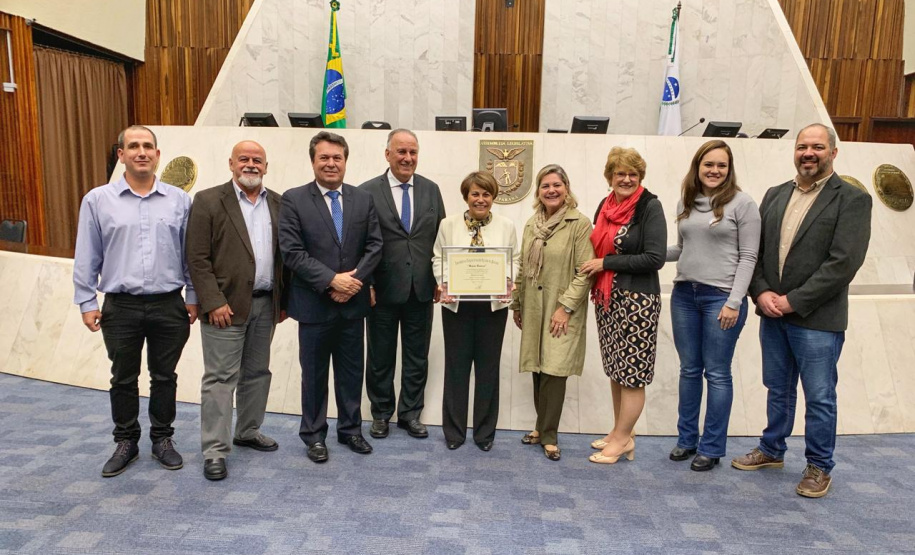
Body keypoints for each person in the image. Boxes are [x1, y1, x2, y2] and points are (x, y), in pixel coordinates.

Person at [731, 124, 871, 498]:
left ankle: (819, 466)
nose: (809, 153)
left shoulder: (852, 199)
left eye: (818, 147)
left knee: (820, 395)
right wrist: (760, 293)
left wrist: (793, 301)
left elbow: (843, 263)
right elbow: (755, 252)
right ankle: (772, 449)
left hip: (817, 320)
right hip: (772, 313)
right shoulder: (776, 194)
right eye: (803, 147)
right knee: (777, 388)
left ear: (833, 152)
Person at [73, 125, 197, 477]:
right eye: (133, 146)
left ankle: (162, 439)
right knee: (123, 377)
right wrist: (87, 302)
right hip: (120, 306)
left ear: (157, 155)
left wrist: (193, 296)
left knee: (165, 376)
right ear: (121, 154)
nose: (141, 152)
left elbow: (190, 254)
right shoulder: (98, 200)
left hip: (169, 305)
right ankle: (126, 440)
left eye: (148, 146)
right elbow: (86, 254)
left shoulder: (179, 200)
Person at [186, 140, 290, 481]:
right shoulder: (207, 200)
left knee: (258, 373)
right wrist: (213, 301)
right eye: (243, 159)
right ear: (231, 163)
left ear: (266, 166)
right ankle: (215, 450)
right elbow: (197, 257)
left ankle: (247, 430)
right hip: (224, 308)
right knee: (219, 379)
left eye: (257, 160)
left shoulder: (277, 202)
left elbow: (285, 257)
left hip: (265, 303)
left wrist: (284, 301)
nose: (250, 164)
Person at [278, 131, 383, 464]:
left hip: (352, 305)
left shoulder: (362, 199)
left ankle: (351, 429)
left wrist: (353, 281)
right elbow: (292, 252)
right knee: (314, 375)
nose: (331, 163)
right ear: (313, 161)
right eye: (324, 157)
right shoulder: (293, 199)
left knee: (351, 373)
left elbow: (375, 246)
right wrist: (331, 281)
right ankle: (314, 435)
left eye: (337, 157)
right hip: (313, 305)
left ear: (345, 161)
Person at [666, 140, 760, 471]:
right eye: (709, 164)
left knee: (717, 373)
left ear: (729, 169)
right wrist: (644, 252)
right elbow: (681, 248)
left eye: (721, 165)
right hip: (684, 296)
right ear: (698, 167)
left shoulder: (743, 204)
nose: (714, 171)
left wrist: (735, 301)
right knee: (689, 370)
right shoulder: (686, 202)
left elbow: (749, 256)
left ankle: (711, 446)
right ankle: (686, 440)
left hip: (722, 298)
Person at [581, 147, 666, 465]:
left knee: (633, 374)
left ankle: (623, 438)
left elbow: (654, 258)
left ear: (640, 176)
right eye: (620, 173)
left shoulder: (649, 207)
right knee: (617, 370)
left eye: (633, 174)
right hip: (608, 300)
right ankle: (620, 432)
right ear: (610, 177)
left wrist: (606, 262)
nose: (626, 179)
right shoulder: (605, 205)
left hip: (638, 301)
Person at [359, 129, 445, 440]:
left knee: (416, 356)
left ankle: (411, 414)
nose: (407, 158)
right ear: (388, 154)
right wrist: (364, 281)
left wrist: (442, 278)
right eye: (401, 152)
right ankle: (381, 413)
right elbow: (359, 243)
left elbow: (441, 238)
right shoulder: (366, 192)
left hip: (421, 290)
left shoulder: (431, 190)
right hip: (379, 290)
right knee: (380, 356)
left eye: (413, 152)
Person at [511, 164, 594, 461]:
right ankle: (540, 427)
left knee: (555, 372)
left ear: (567, 188)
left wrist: (566, 307)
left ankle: (550, 435)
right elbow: (522, 266)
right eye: (546, 185)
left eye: (557, 184)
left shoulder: (580, 223)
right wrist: (517, 304)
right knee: (537, 367)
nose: (552, 190)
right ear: (538, 192)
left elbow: (585, 271)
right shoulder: (532, 224)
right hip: (534, 308)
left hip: (562, 310)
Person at [433, 171, 519, 451]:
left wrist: (509, 279)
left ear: (493, 197)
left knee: (487, 369)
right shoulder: (448, 224)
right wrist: (443, 283)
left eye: (486, 194)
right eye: (475, 194)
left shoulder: (506, 225)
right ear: (466, 196)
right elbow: (438, 256)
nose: (480, 199)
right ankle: (454, 433)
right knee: (456, 368)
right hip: (457, 306)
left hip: (493, 307)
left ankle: (484, 434)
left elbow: (514, 259)